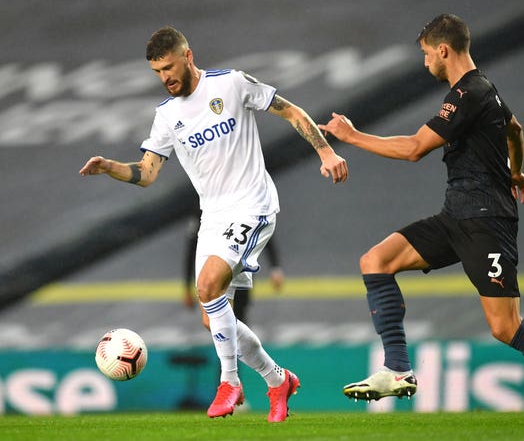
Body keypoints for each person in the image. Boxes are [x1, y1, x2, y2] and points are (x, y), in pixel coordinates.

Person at [318, 14, 524, 421]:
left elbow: (414, 148)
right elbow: (515, 129)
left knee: (505, 327)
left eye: (426, 54)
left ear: (443, 50)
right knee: (376, 261)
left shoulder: (467, 92)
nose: (424, 63)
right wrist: (513, 170)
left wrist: (351, 137)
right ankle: (397, 368)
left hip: (485, 222)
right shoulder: (486, 90)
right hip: (458, 215)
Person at [79, 26, 348, 423]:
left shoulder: (233, 85)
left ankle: (229, 382)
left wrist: (325, 152)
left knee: (207, 287)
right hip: (214, 217)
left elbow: (289, 110)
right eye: (157, 72)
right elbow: (147, 172)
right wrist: (109, 168)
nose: (165, 77)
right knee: (214, 316)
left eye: (169, 67)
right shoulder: (167, 116)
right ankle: (278, 380)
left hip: (253, 205)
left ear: (187, 56)